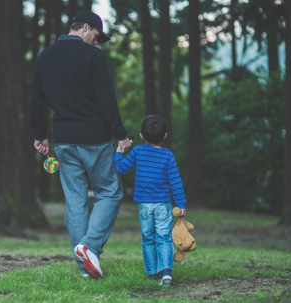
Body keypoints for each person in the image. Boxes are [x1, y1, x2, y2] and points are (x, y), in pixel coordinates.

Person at [29, 11, 132, 279]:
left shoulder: (45, 56)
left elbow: (35, 102)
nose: (96, 43)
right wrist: (121, 136)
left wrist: (40, 135)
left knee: (75, 201)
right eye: (96, 36)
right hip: (94, 138)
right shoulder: (93, 56)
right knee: (109, 193)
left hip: (63, 141)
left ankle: (84, 269)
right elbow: (106, 100)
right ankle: (89, 247)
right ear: (85, 28)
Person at [114, 115, 186, 287]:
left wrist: (118, 153)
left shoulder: (138, 151)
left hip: (144, 205)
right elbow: (175, 181)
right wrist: (181, 203)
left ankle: (152, 272)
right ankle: (166, 273)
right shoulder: (168, 156)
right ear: (165, 136)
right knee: (163, 237)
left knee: (148, 237)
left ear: (141, 135)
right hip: (163, 204)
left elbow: (121, 168)